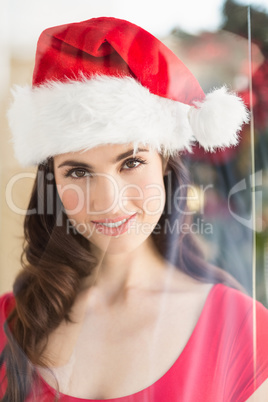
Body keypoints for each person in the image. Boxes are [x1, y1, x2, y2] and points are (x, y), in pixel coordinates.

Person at [0, 16, 267, 402]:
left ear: (165, 164)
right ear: (53, 182)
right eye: (78, 171)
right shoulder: (9, 321)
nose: (108, 202)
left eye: (130, 163)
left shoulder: (243, 331)